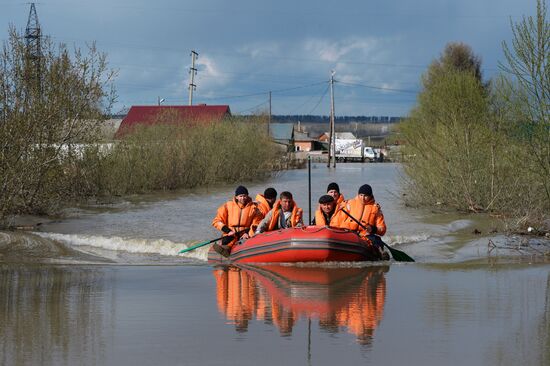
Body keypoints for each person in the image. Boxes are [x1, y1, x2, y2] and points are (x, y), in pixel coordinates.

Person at [211, 185, 263, 257]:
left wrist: (248, 233)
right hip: (230, 234)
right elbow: (216, 221)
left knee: (247, 241)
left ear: (247, 196)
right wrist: (228, 231)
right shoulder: (227, 206)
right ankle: (225, 250)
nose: (243, 198)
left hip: (245, 234)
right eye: (240, 196)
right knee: (227, 241)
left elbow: (256, 223)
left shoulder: (254, 207)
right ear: (236, 197)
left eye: (244, 196)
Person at [339, 184, 388, 259]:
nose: (363, 198)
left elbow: (382, 229)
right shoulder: (349, 204)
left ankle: (381, 254)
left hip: (365, 235)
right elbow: (339, 220)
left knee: (377, 240)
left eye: (365, 196)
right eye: (361, 195)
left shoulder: (376, 209)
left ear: (370, 196)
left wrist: (372, 229)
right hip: (349, 232)